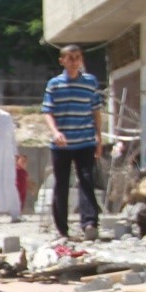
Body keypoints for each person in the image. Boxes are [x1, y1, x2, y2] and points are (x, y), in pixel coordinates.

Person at [42, 44, 104, 240]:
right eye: (70, 58)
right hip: (62, 143)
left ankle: (90, 223)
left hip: (85, 140)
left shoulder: (90, 82)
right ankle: (63, 229)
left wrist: (99, 136)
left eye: (77, 57)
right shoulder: (54, 84)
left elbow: (96, 110)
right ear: (62, 61)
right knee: (61, 184)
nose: (74, 61)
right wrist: (55, 132)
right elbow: (47, 112)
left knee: (86, 180)